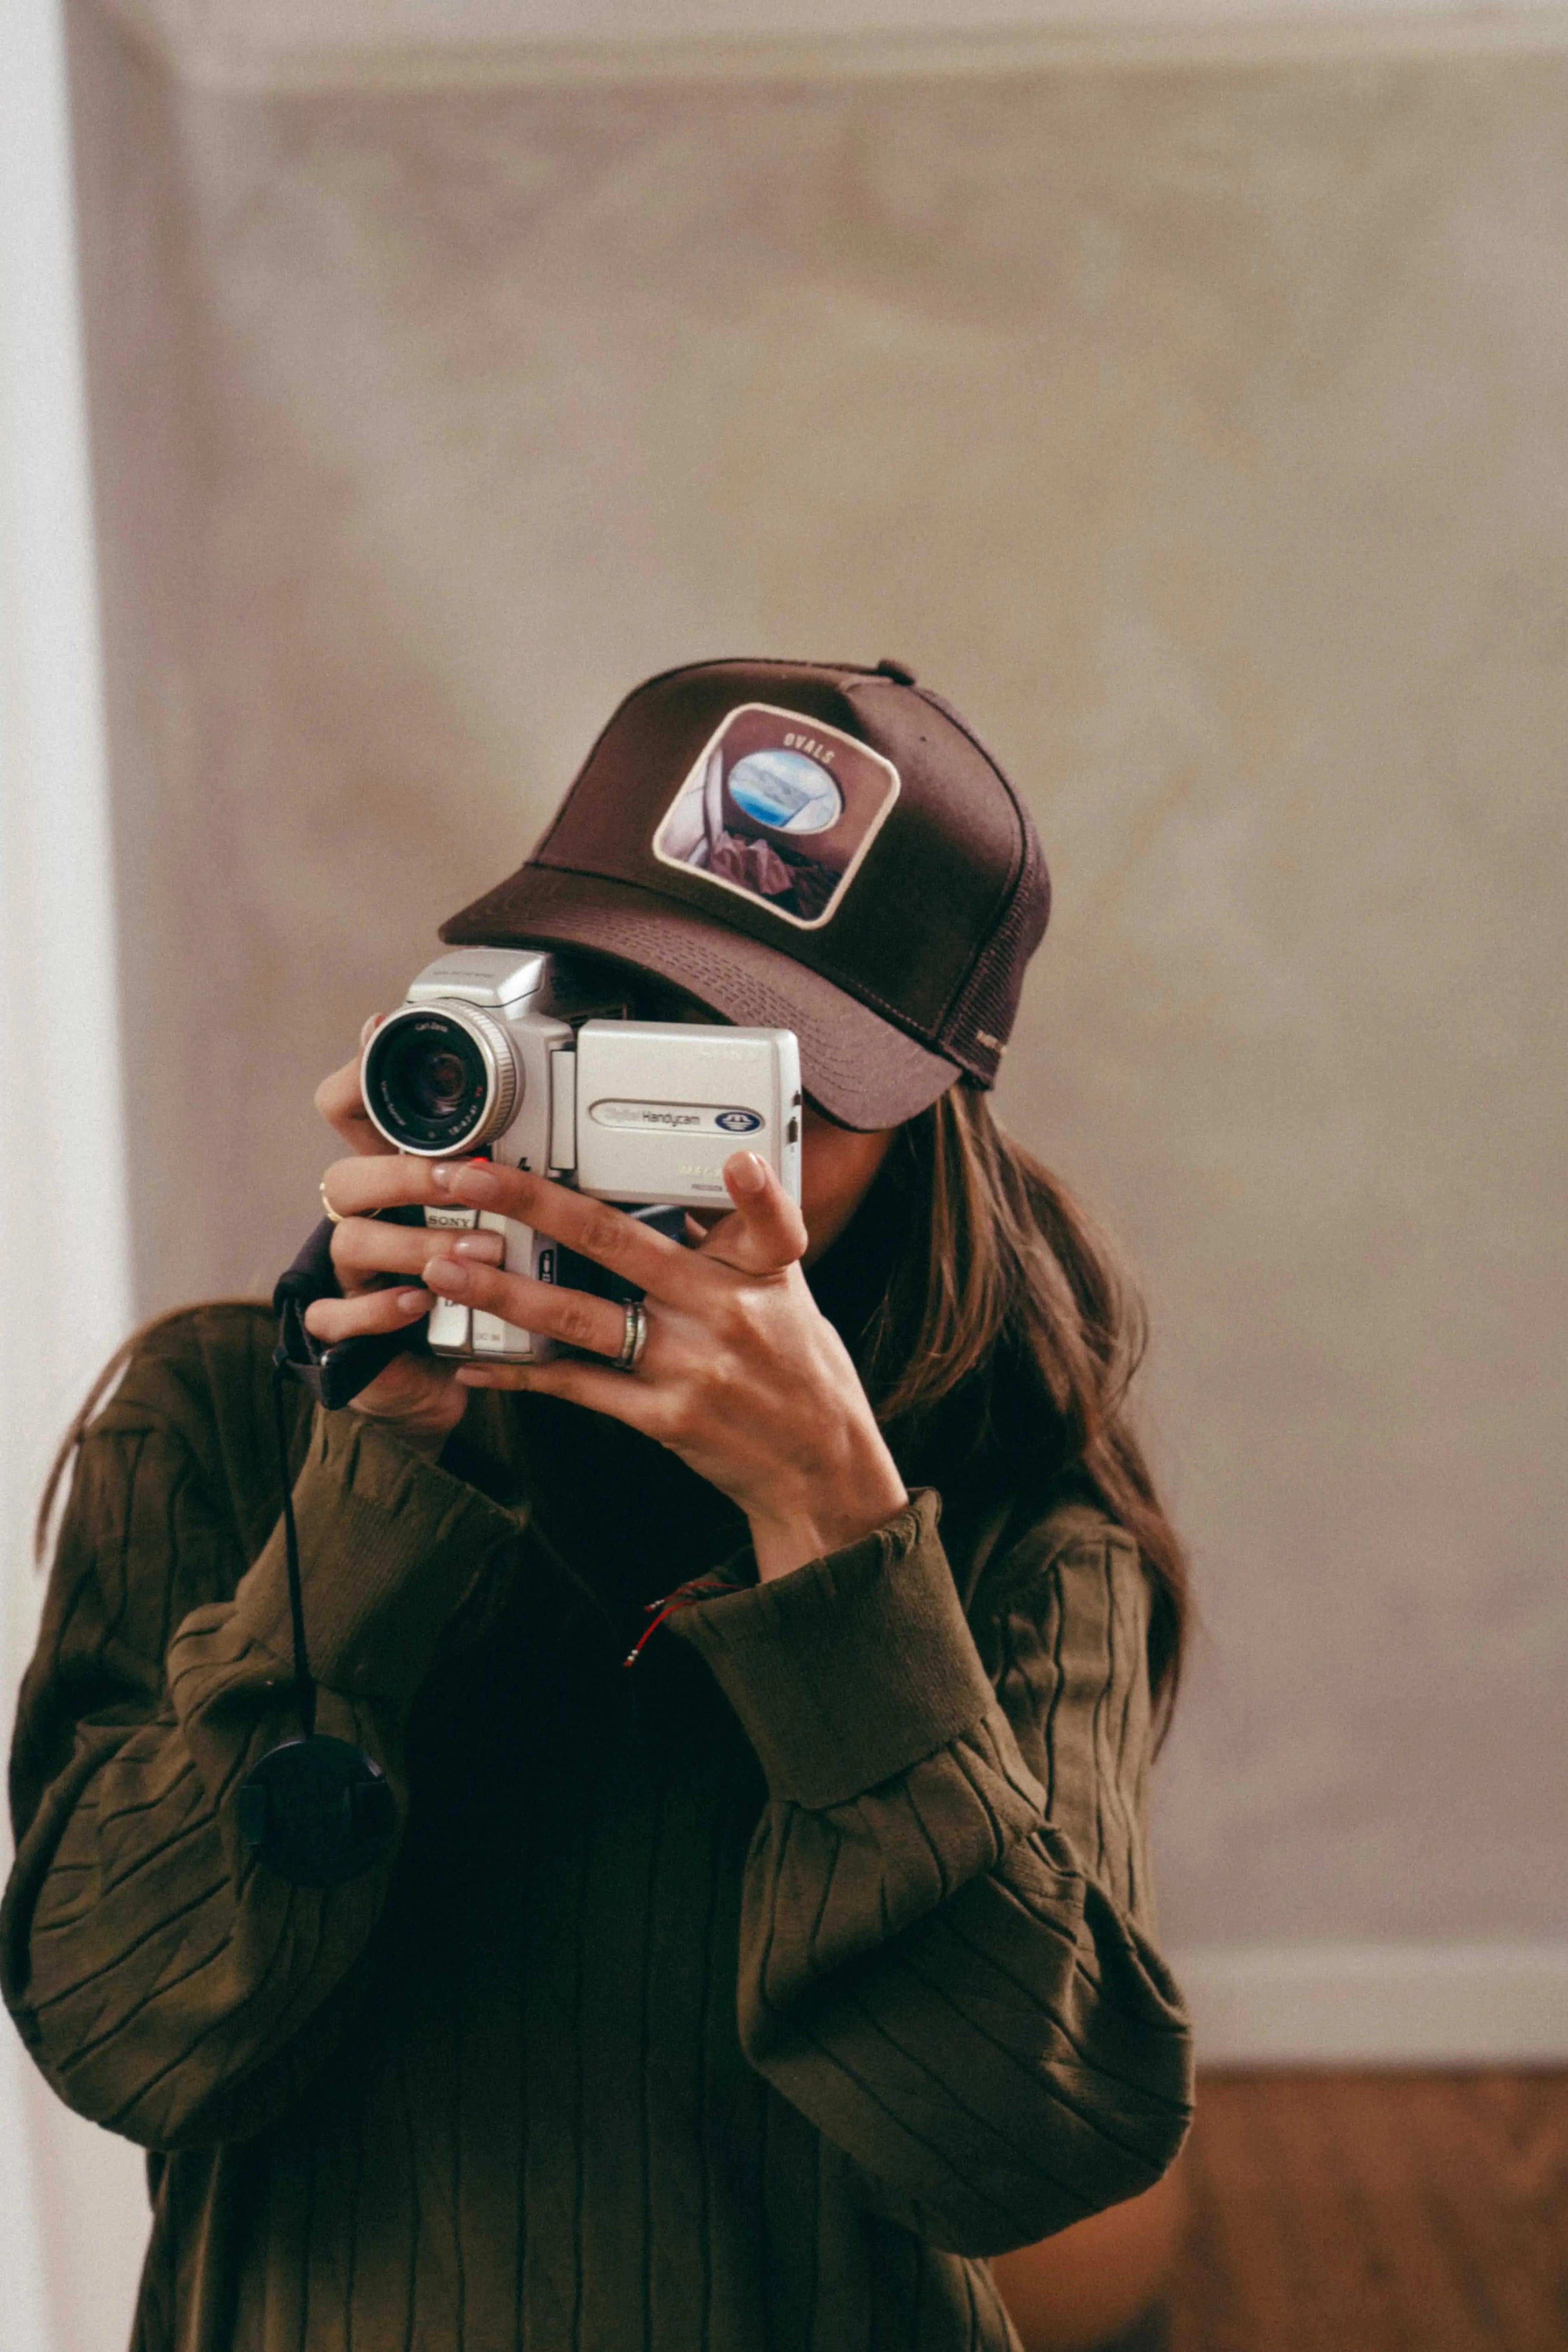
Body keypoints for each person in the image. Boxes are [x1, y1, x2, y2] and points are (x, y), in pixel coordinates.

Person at [2, 657, 1195, 2352]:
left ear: (924, 1118)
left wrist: (840, 1544)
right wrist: (376, 1474)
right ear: (511, 1010)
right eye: (627, 1026)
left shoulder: (1012, 1532)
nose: (665, 1129)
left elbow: (1019, 2145)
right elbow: (128, 2030)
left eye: (766, 1090)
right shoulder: (217, 1422)